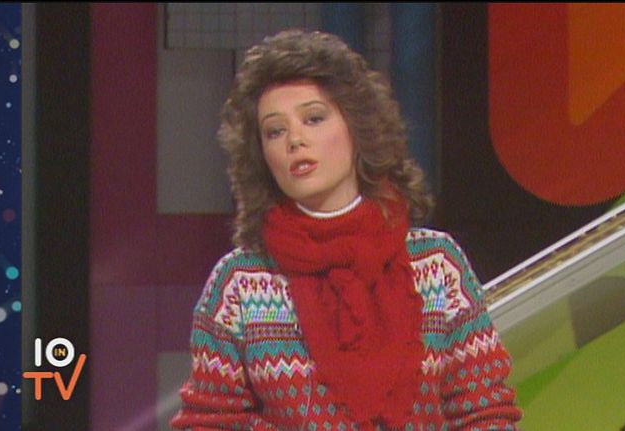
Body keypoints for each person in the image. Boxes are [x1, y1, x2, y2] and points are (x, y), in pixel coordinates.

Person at [170, 29, 522, 431]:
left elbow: (486, 414)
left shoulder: (438, 266)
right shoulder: (240, 283)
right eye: (275, 131)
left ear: (357, 127)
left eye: (314, 118)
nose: (295, 140)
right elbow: (208, 423)